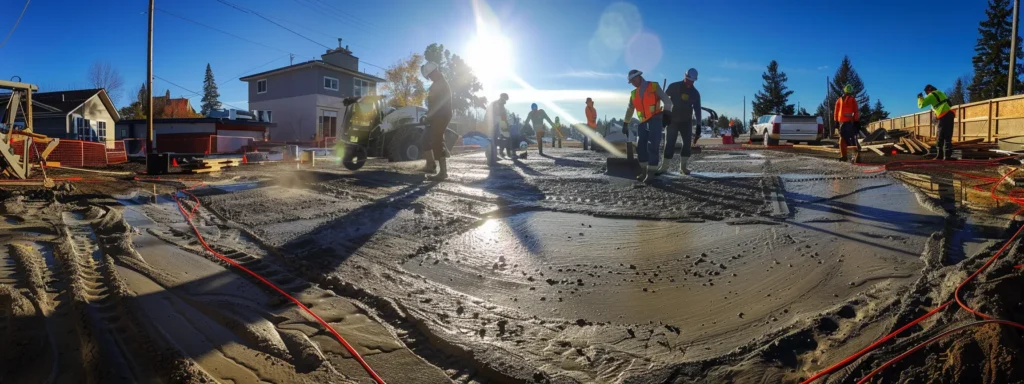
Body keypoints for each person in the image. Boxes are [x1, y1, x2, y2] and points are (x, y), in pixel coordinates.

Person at [623, 69, 673, 184]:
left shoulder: (653, 86)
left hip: (655, 119)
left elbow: (667, 101)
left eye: (633, 80)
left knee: (652, 146)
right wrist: (626, 123)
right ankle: (644, 171)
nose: (633, 83)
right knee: (641, 147)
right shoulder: (633, 94)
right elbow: (630, 109)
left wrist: (667, 114)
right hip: (643, 122)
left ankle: (651, 173)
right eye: (631, 82)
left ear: (639, 77)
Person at [662, 68, 701, 175]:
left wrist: (698, 125)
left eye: (692, 81)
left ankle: (683, 168)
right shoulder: (673, 86)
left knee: (687, 144)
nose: (689, 82)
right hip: (672, 120)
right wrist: (665, 114)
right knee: (669, 143)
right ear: (685, 76)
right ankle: (664, 167)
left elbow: (697, 109)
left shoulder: (695, 93)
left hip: (686, 121)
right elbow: (664, 99)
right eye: (688, 79)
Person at [420, 62, 453, 181]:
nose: (429, 78)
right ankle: (431, 166)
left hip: (441, 115)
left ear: (435, 72)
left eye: (429, 75)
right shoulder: (436, 83)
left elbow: (439, 104)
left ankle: (443, 172)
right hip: (435, 115)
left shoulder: (441, 84)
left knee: (436, 140)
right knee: (424, 139)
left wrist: (429, 115)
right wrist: (427, 114)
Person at [918, 84, 956, 160]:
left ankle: (940, 156)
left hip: (943, 116)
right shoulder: (941, 92)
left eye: (926, 93)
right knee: (948, 136)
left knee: (940, 136)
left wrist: (920, 98)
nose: (926, 95)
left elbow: (921, 105)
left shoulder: (932, 95)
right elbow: (948, 103)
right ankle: (947, 156)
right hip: (950, 114)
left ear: (929, 90)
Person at [834, 84, 861, 163]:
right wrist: (836, 121)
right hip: (844, 123)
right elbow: (836, 111)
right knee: (844, 139)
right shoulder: (840, 100)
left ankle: (852, 156)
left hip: (848, 122)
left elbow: (855, 111)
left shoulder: (848, 100)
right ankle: (845, 156)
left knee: (849, 139)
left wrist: (856, 121)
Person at [486, 93, 510, 166]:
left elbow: (503, 116)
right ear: (502, 98)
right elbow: (500, 116)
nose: (505, 102)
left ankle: (494, 156)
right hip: (491, 124)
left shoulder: (499, 105)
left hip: (495, 124)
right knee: (491, 140)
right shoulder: (495, 104)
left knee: (495, 140)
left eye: (505, 100)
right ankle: (490, 157)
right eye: (504, 99)